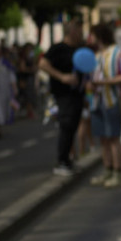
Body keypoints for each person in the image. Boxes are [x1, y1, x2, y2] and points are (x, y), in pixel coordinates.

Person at [38, 19, 86, 175]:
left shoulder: (79, 49)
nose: (82, 34)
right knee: (66, 125)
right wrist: (61, 77)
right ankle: (62, 162)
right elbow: (43, 64)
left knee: (73, 126)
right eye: (79, 31)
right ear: (72, 32)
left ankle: (68, 159)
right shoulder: (58, 48)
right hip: (63, 94)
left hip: (77, 93)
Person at [87, 24, 121, 189]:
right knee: (103, 138)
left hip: (112, 100)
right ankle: (107, 170)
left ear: (100, 36)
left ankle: (117, 173)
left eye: (92, 35)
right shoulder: (96, 56)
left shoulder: (117, 52)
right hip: (97, 101)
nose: (90, 39)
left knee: (113, 137)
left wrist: (104, 82)